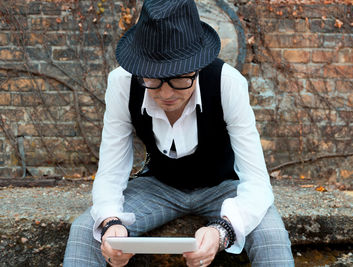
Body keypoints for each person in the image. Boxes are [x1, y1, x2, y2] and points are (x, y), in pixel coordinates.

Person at [63, 0, 294, 266]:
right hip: (158, 187)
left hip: (222, 188)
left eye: (180, 78)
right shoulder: (122, 83)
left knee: (272, 236)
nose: (166, 93)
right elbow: (111, 170)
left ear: (198, 64)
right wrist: (110, 223)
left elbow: (257, 182)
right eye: (152, 79)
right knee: (85, 232)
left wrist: (223, 230)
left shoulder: (228, 83)